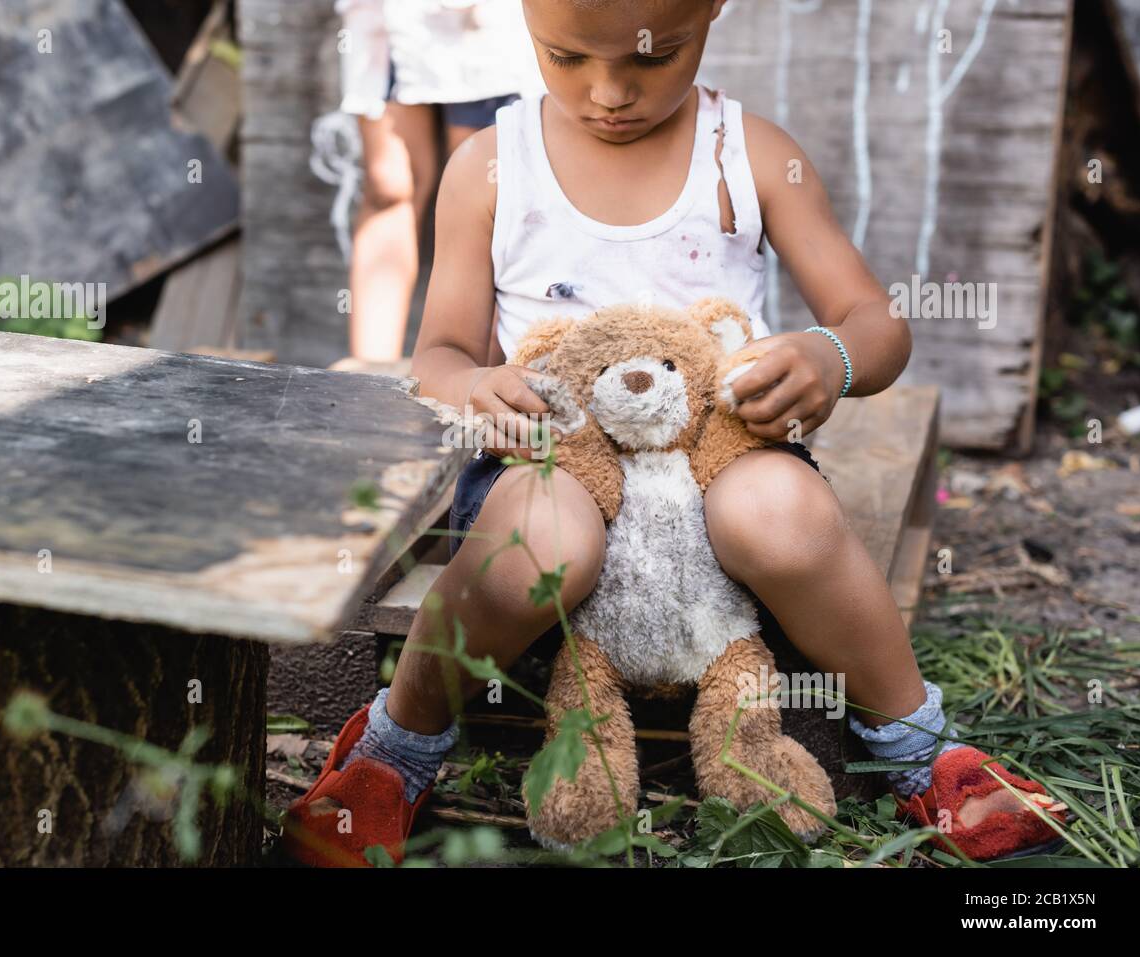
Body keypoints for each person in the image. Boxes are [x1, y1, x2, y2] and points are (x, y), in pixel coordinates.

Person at [285, 0, 1068, 865]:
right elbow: (434, 355)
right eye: (566, 57)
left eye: (651, 59)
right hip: (558, 458)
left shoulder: (752, 155)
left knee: (777, 511)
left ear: (712, 15)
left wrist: (829, 355)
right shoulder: (491, 167)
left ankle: (922, 746)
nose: (608, 92)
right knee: (543, 538)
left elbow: (877, 323)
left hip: (720, 454)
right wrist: (475, 384)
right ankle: (397, 744)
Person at [333, 0, 542, 368]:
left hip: (487, 24)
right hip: (388, 15)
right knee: (388, 184)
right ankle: (369, 371)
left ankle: (478, 376)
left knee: (489, 193)